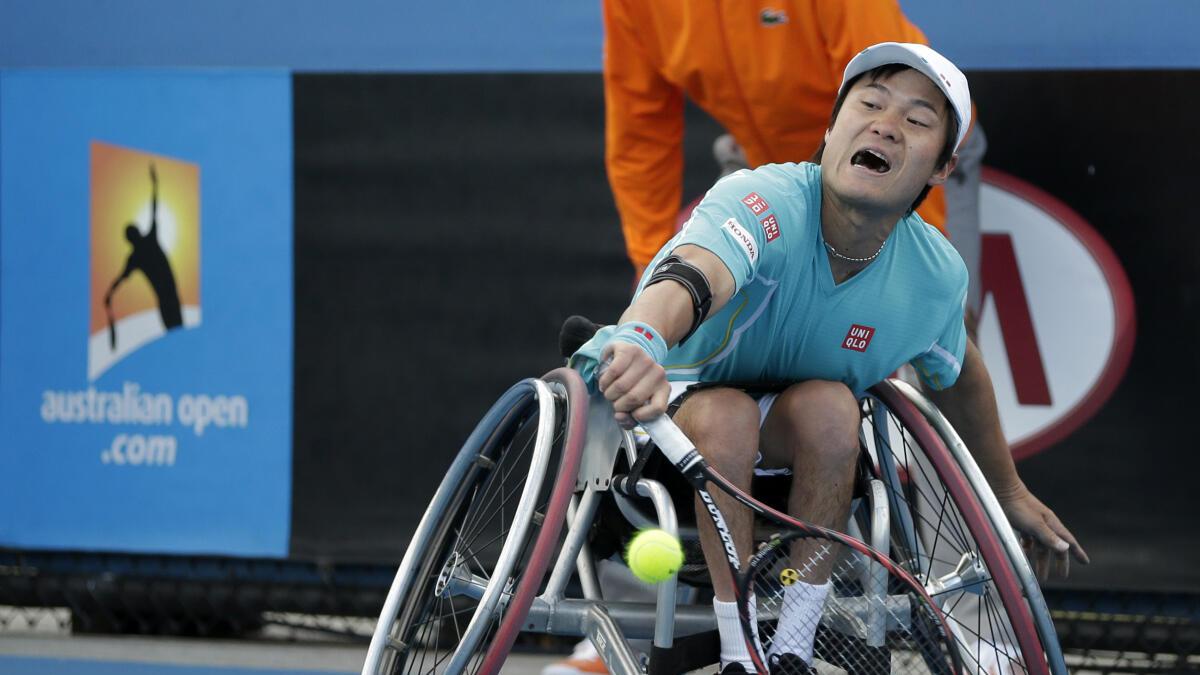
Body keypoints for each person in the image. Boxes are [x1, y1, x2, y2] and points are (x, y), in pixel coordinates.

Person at [571, 43, 1087, 674]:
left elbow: (960, 370)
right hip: (656, 424)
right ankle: (742, 655)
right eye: (868, 103)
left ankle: (793, 641)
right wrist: (643, 342)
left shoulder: (933, 274)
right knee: (730, 414)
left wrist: (1006, 489)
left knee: (832, 406)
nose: (885, 124)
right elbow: (694, 275)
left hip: (791, 453)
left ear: (942, 167)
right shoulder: (763, 197)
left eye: (917, 121)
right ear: (832, 129)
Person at [603, 0, 987, 330]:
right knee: (715, 326)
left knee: (935, 318)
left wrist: (915, 268)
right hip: (766, 165)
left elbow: (897, 116)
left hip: (908, 159)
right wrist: (653, 267)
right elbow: (641, 136)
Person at [105, 163, 184, 340]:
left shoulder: (138, 253)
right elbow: (120, 278)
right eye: (134, 232)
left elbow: (154, 210)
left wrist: (155, 185)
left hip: (168, 296)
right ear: (134, 235)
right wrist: (110, 293)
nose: (137, 233)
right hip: (167, 297)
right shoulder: (140, 251)